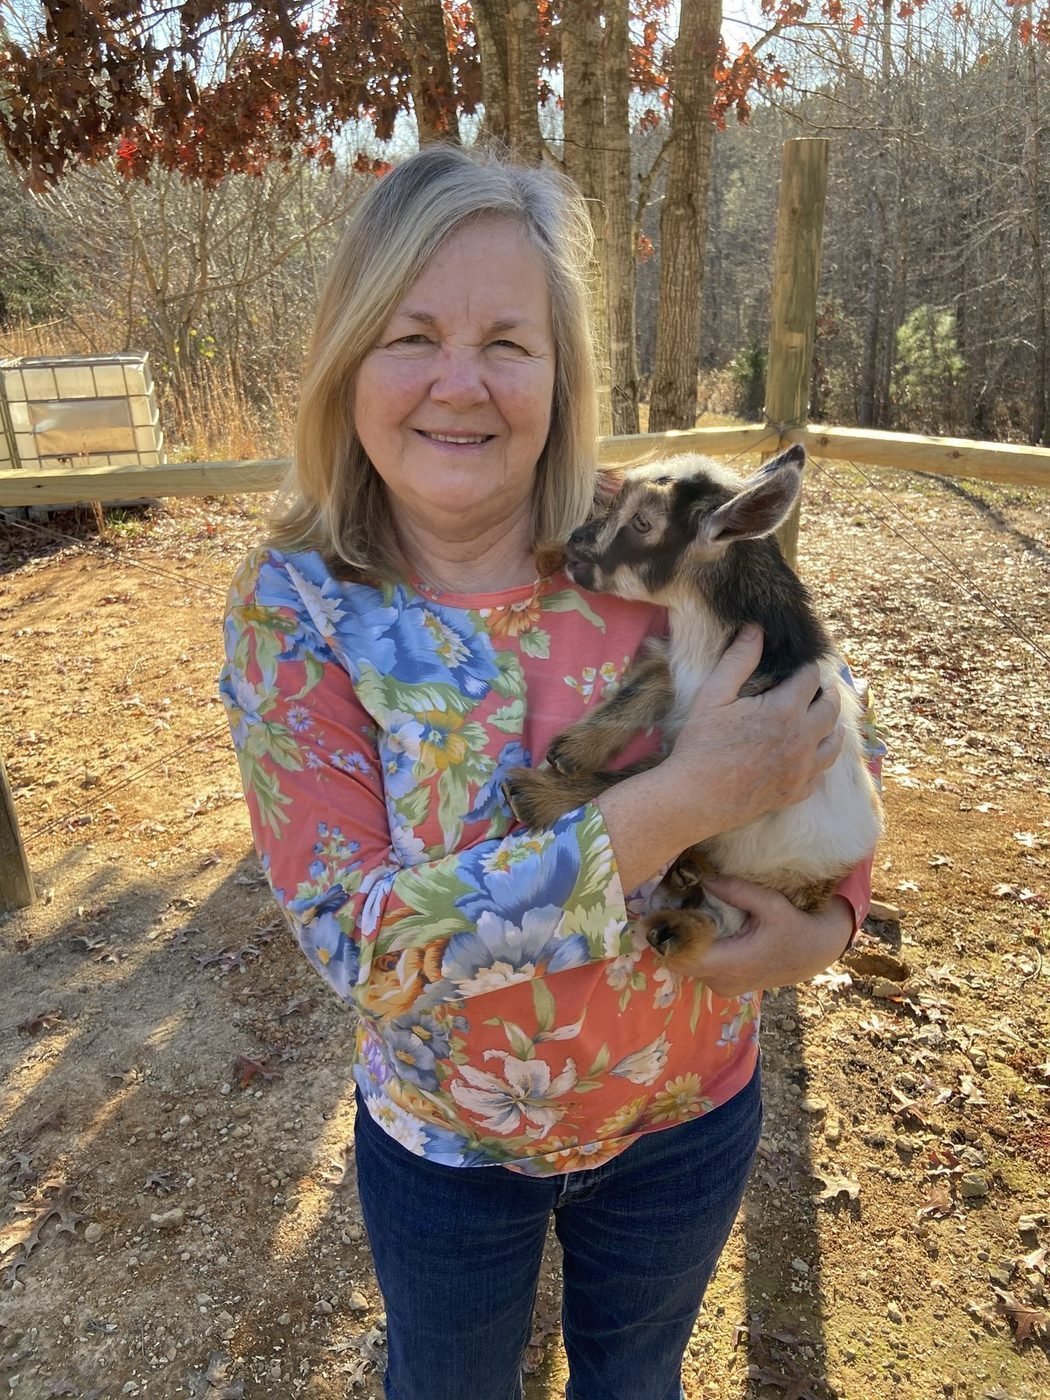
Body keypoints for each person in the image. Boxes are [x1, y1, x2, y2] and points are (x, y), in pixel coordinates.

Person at [220, 143, 876, 1400]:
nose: (460, 383)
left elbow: (832, 722)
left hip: (688, 1117)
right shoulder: (300, 609)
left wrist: (830, 920)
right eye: (413, 335)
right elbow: (363, 942)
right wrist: (679, 802)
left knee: (636, 1380)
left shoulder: (656, 531)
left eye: (507, 342)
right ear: (350, 355)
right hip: (449, 1149)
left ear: (560, 370)